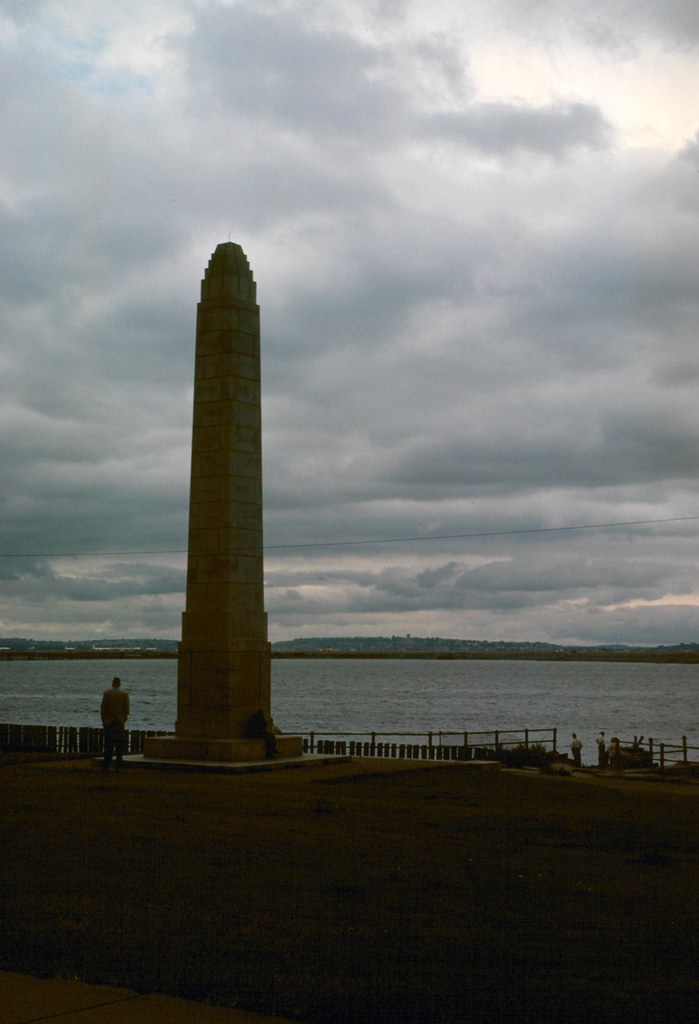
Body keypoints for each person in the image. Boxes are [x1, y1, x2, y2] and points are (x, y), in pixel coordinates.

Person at [101, 676, 130, 772]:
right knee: (119, 744)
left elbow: (103, 708)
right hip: (119, 721)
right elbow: (126, 709)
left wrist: (104, 720)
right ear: (120, 684)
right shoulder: (124, 694)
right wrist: (123, 719)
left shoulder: (107, 693)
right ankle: (117, 765)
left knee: (108, 744)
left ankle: (106, 765)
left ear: (112, 683)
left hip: (109, 720)